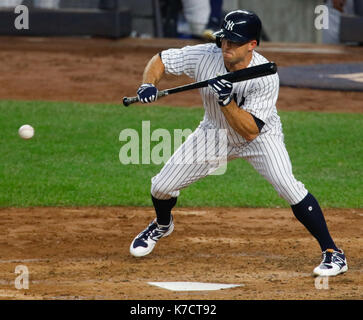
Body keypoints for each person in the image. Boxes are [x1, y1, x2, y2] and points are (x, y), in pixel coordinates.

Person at [130, 10, 348, 277]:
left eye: (234, 42)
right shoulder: (206, 55)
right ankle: (162, 224)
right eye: (224, 40)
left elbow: (249, 132)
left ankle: (333, 253)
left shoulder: (265, 75)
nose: (226, 47)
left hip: (260, 137)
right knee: (161, 187)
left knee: (288, 186)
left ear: (252, 45)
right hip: (215, 134)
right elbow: (161, 59)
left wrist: (226, 101)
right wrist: (147, 84)